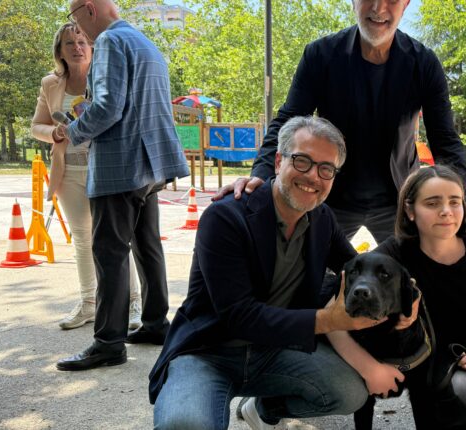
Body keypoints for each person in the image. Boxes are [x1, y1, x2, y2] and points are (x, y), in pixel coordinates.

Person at [150, 116, 406, 429]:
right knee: (184, 425)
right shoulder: (225, 217)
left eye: (326, 169)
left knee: (349, 392)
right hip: (208, 352)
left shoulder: (322, 218)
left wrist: (406, 293)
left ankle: (264, 409)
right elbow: (239, 316)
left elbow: (356, 268)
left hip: (275, 352)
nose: (313, 176)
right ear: (278, 161)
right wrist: (328, 320)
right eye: (302, 161)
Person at [215, 0, 466, 245]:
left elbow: (445, 140)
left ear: (406, 4)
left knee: (412, 277)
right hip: (330, 195)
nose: (379, 8)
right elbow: (288, 120)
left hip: (398, 199)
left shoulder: (424, 63)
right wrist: (261, 174)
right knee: (308, 275)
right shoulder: (321, 55)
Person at [344, 165, 466, 429]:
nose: (446, 211)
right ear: (410, 210)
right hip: (435, 363)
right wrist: (369, 368)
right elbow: (335, 313)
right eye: (432, 203)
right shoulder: (392, 256)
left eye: (454, 202)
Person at [54, 0, 189, 371]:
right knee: (148, 246)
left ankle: (108, 343)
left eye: (74, 16)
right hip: (151, 163)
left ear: (89, 9)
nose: (78, 28)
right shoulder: (144, 42)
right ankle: (155, 323)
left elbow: (109, 106)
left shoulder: (110, 42)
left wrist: (73, 130)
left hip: (120, 164)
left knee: (109, 253)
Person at [30, 22, 142, 331]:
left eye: (82, 41)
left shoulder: (105, 77)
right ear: (60, 51)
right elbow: (36, 126)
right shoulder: (50, 83)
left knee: (117, 239)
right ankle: (89, 303)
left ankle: (134, 302)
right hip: (69, 172)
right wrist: (54, 133)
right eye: (69, 43)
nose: (77, 48)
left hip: (107, 169)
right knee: (82, 239)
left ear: (91, 47)